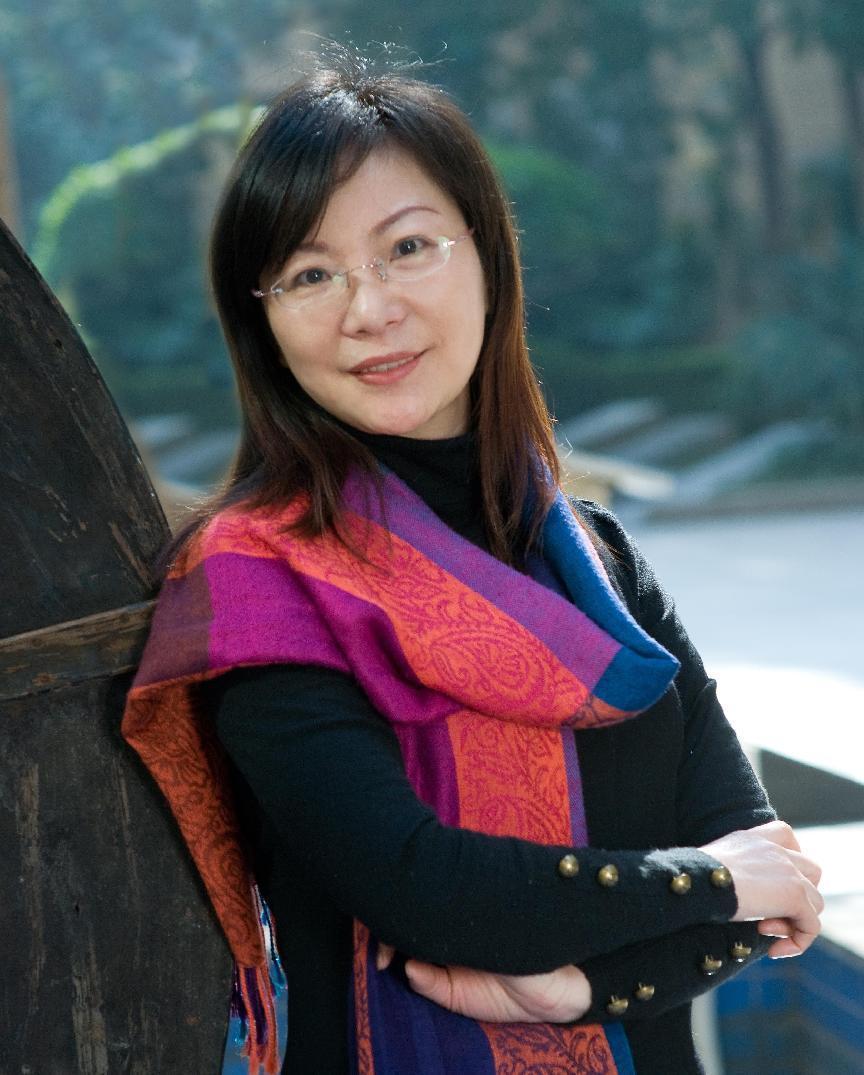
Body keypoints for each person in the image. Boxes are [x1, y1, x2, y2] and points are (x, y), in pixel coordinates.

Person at [122, 58, 823, 1075]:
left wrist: (579, 989)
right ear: (262, 320)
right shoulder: (256, 580)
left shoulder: (599, 563)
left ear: (489, 257)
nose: (368, 308)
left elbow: (767, 870)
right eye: (311, 274)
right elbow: (421, 884)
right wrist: (710, 883)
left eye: (408, 248)